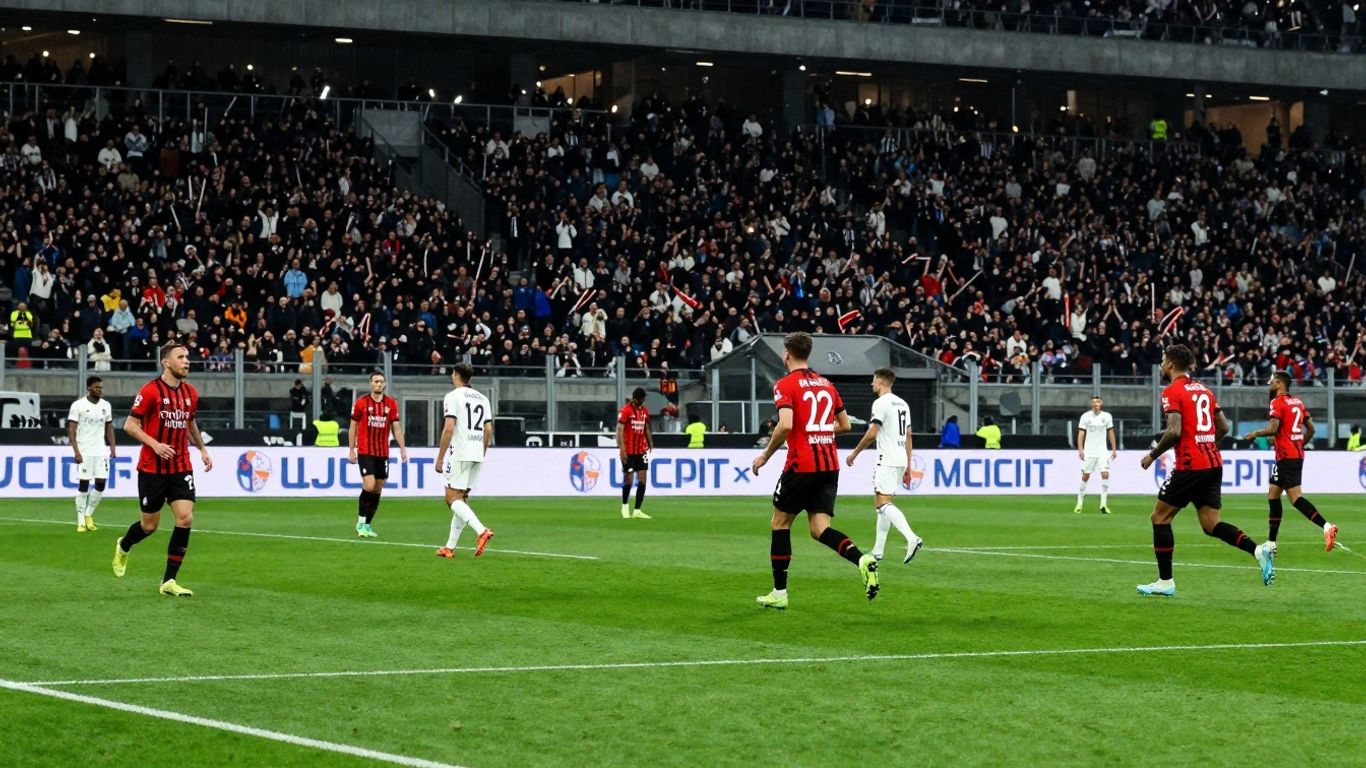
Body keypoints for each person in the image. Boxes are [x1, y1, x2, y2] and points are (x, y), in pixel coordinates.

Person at [752, 332, 879, 610]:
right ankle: (861, 559)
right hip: (828, 465)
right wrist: (819, 429)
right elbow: (844, 425)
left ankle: (779, 593)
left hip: (801, 464)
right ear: (807, 354)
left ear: (787, 353)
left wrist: (765, 455)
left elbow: (785, 425)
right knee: (820, 528)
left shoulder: (785, 385)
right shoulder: (826, 384)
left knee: (780, 523)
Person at [1137, 345, 1274, 597]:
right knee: (1211, 525)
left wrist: (1152, 455)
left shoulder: (1171, 391)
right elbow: (1224, 425)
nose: (1161, 365)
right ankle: (1257, 550)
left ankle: (1165, 582)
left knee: (1159, 518)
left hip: (1191, 466)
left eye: (1163, 360)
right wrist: (1206, 444)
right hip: (1213, 464)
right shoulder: (1204, 390)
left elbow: (1175, 430)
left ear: (1169, 364)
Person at [112, 342, 214, 597]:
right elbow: (130, 426)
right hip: (152, 467)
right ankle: (124, 545)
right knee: (149, 526)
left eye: (188, 357)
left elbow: (190, 423)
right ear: (166, 362)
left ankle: (169, 581)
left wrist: (201, 448)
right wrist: (155, 444)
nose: (187, 361)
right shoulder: (150, 391)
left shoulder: (190, 392)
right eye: (181, 357)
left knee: (185, 518)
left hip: (180, 466)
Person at [1241, 372, 1338, 553]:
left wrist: (1255, 433)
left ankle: (1327, 527)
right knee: (1273, 494)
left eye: (1272, 381)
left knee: (1295, 498)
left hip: (1287, 456)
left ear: (1279, 383)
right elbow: (1312, 428)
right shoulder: (1298, 403)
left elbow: (1273, 428)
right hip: (1292, 455)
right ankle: (1271, 543)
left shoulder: (1276, 402)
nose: (1269, 383)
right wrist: (1299, 443)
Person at [845, 368, 923, 564]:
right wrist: (908, 464)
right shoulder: (903, 404)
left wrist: (855, 452)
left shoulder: (880, 403)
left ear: (880, 382)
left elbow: (872, 432)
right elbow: (908, 436)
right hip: (900, 458)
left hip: (886, 458)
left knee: (882, 503)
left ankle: (911, 538)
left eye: (873, 381)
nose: (872, 384)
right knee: (884, 502)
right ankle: (878, 550)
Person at [434, 363, 495, 558]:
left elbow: (449, 428)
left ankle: (481, 530)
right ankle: (449, 548)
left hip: (460, 452)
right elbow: (488, 430)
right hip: (477, 453)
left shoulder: (452, 397)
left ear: (456, 375)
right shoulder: (483, 398)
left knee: (451, 498)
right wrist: (482, 452)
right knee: (461, 499)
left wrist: (440, 457)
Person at [348, 371, 407, 538]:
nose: (379, 384)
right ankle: (360, 522)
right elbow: (353, 426)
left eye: (381, 381)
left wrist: (402, 449)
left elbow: (396, 428)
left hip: (383, 452)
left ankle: (367, 525)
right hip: (366, 450)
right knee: (369, 484)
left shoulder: (391, 404)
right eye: (376, 381)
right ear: (370, 383)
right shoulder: (360, 403)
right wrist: (352, 449)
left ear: (385, 384)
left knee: (378, 487)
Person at [68, 377, 115, 532]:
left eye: (101, 387)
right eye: (96, 387)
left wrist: (113, 448)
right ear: (89, 388)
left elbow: (109, 428)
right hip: (85, 451)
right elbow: (72, 429)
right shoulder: (78, 405)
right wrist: (76, 451)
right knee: (84, 486)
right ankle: (80, 521)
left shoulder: (106, 406)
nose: (99, 390)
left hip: (100, 451)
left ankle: (89, 514)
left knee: (101, 484)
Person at [1074, 395, 1117, 514]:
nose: (1096, 403)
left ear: (1101, 403)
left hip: (1102, 451)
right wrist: (1081, 449)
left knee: (1105, 473)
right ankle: (1079, 503)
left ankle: (1103, 504)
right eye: (1094, 402)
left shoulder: (1107, 416)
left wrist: (1114, 449)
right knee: (1086, 476)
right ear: (1091, 404)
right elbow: (1081, 434)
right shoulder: (1085, 416)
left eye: (1098, 401)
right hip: (1089, 451)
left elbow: (1111, 433)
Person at [616, 387, 653, 519]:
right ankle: (625, 506)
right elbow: (619, 430)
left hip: (641, 450)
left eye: (644, 399)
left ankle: (637, 510)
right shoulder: (626, 410)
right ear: (635, 398)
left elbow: (646, 428)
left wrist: (650, 442)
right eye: (641, 399)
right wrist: (622, 449)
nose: (642, 401)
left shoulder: (644, 411)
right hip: (629, 451)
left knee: (643, 479)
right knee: (629, 480)